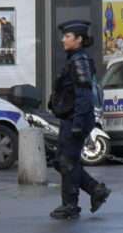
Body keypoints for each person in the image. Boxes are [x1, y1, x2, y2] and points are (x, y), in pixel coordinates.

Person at [48, 18, 112, 222]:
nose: (63, 40)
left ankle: (70, 205)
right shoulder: (74, 59)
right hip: (70, 118)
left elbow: (84, 96)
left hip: (76, 119)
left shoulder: (79, 61)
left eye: (67, 36)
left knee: (67, 162)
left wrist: (77, 124)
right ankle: (96, 190)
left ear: (79, 39)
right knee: (61, 161)